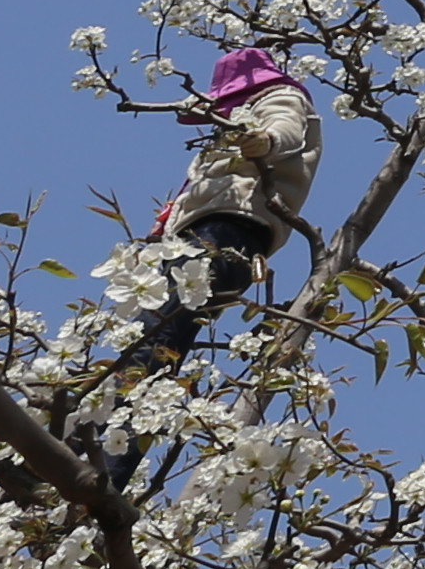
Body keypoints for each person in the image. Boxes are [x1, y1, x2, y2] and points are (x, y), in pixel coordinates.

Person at [121, 44, 324, 366]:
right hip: (215, 235)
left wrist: (265, 140)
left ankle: (124, 394)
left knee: (161, 326)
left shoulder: (277, 96)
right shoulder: (230, 134)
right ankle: (136, 394)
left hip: (230, 229)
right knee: (166, 327)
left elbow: (285, 125)